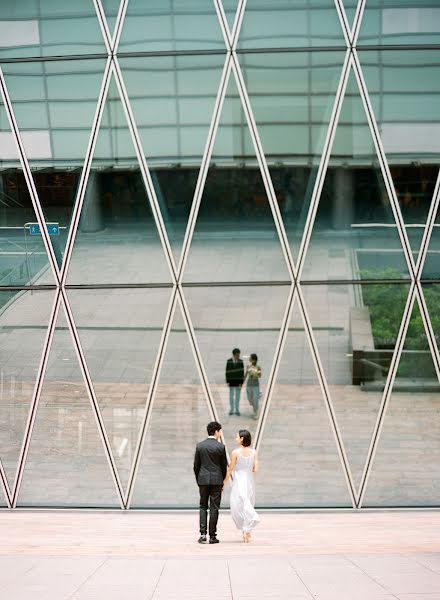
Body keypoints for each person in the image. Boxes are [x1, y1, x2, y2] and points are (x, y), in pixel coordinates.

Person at [193, 421, 228, 544]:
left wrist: (199, 479)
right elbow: (224, 467)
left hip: (203, 480)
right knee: (214, 508)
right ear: (217, 431)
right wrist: (222, 481)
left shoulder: (200, 446)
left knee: (203, 506)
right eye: (220, 432)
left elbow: (196, 466)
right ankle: (212, 536)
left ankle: (203, 535)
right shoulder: (221, 447)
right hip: (217, 480)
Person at [223, 429, 260, 543]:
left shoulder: (235, 452)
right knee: (247, 503)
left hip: (239, 481)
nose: (236, 439)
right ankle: (247, 531)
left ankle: (247, 528)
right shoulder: (253, 452)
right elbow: (255, 468)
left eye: (237, 437)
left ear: (242, 439)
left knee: (238, 505)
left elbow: (231, 468)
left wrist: (224, 481)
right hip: (249, 480)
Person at [225, 348, 245, 416]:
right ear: (234, 355)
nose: (238, 356)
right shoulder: (229, 361)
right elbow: (227, 371)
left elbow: (242, 372)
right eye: (237, 355)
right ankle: (231, 409)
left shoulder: (241, 361)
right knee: (231, 396)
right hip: (231, 382)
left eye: (239, 355)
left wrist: (241, 383)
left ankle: (237, 410)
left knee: (237, 397)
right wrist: (227, 381)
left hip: (238, 382)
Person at [245, 353, 262, 419]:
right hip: (249, 384)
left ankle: (256, 413)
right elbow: (246, 374)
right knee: (250, 399)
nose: (249, 358)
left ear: (253, 359)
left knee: (255, 400)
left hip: (255, 385)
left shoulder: (258, 367)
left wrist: (255, 373)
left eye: (250, 357)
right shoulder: (248, 366)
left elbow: (260, 375)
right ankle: (258, 396)